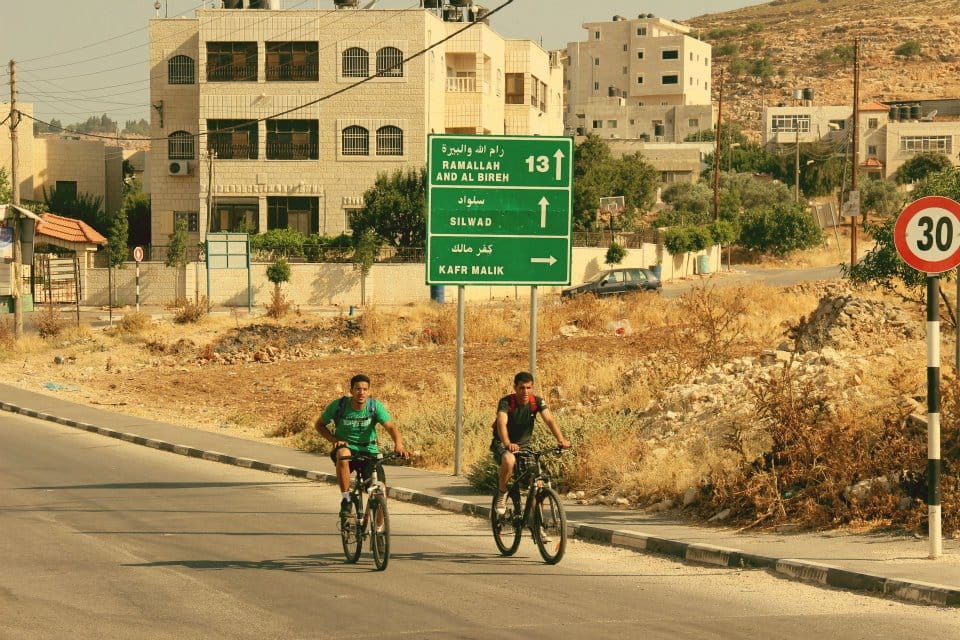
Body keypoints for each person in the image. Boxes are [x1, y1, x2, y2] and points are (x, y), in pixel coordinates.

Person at [315, 374, 408, 520]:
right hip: (346, 448)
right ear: (351, 391)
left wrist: (399, 444)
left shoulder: (374, 406)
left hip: (369, 451)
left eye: (365, 389)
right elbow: (319, 425)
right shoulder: (339, 405)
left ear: (369, 391)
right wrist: (334, 440)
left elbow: (391, 427)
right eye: (358, 389)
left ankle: (379, 529)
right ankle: (346, 499)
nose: (361, 393)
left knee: (380, 491)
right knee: (343, 453)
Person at [491, 371, 570, 515]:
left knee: (536, 483)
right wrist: (508, 443)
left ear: (532, 387)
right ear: (515, 388)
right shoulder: (506, 402)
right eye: (522, 388)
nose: (525, 392)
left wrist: (561, 439)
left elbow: (549, 420)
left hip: (524, 445)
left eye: (529, 388)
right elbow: (501, 423)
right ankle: (502, 493)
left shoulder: (536, 402)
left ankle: (538, 523)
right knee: (509, 459)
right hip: (502, 442)